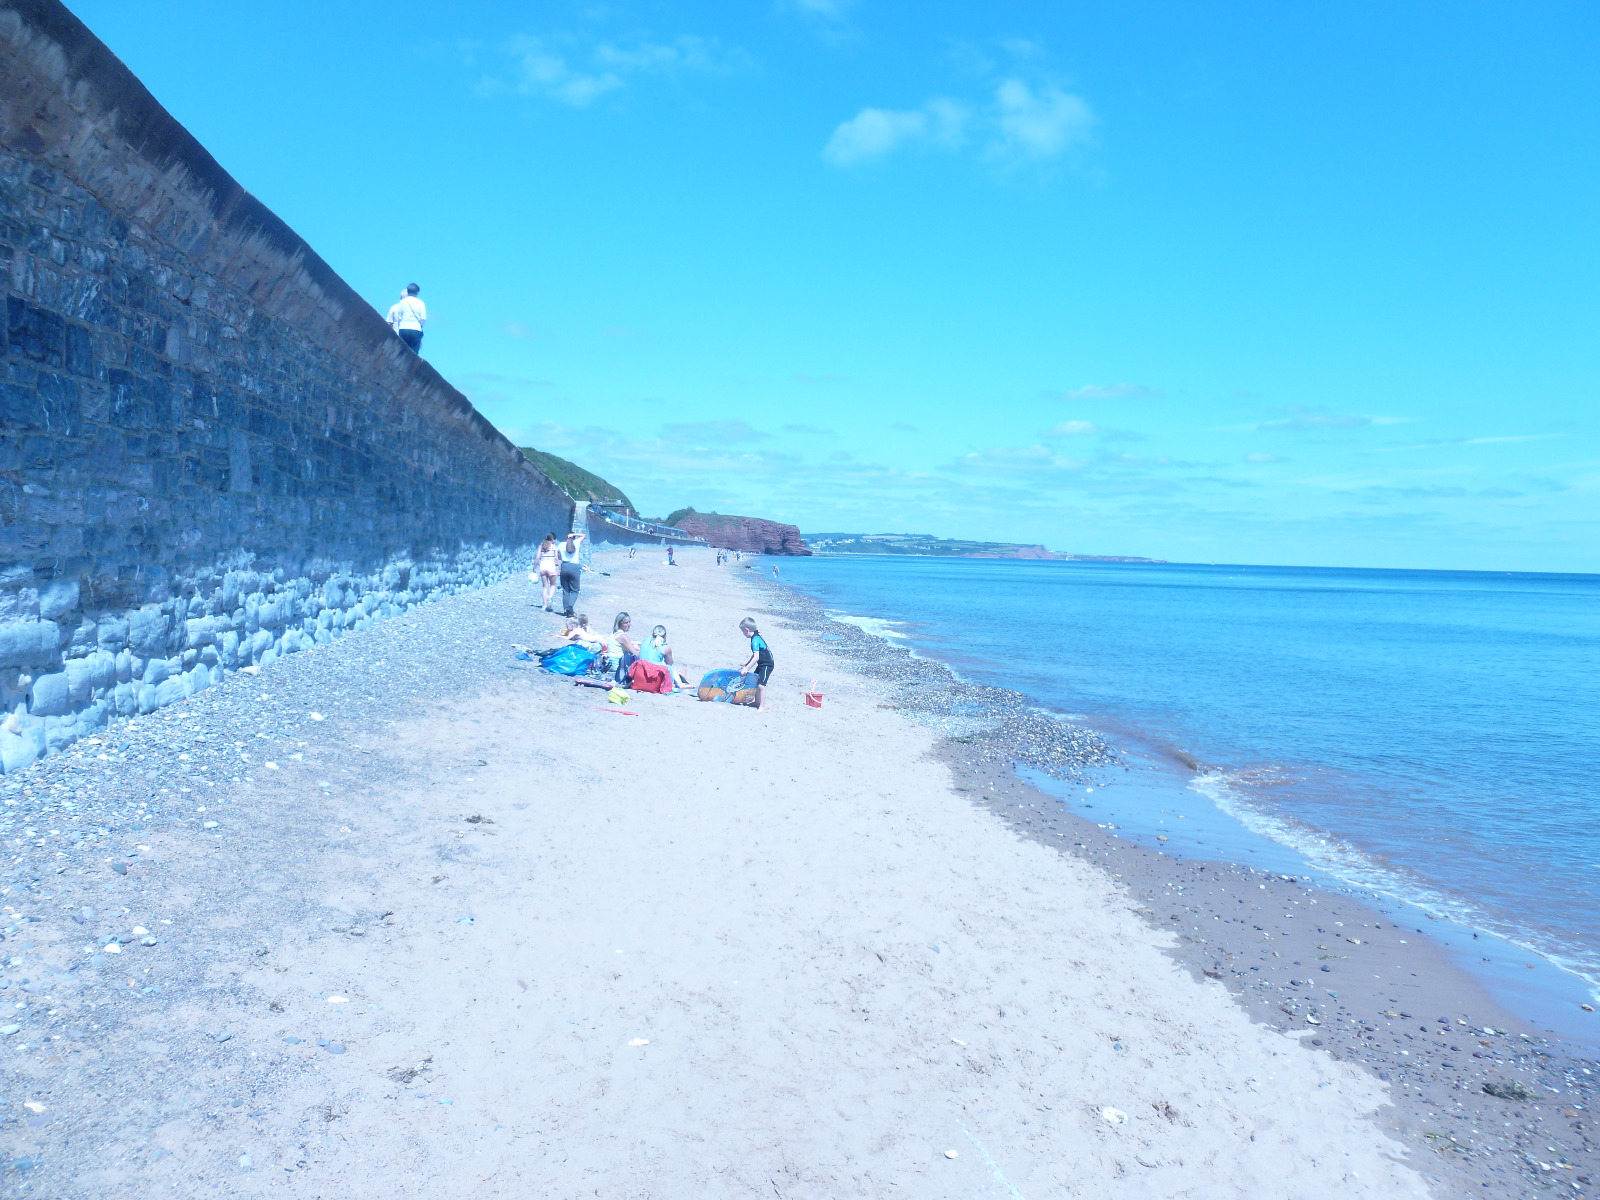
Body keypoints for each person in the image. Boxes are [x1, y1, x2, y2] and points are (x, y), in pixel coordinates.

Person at [738, 617, 774, 712]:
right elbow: (754, 655)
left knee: (761, 685)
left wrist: (746, 669)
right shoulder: (755, 637)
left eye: (743, 631)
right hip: (761, 664)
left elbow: (756, 657)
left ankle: (762, 706)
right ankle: (756, 702)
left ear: (747, 630)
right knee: (755, 682)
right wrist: (746, 665)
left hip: (767, 665)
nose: (743, 634)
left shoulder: (755, 640)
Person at [387, 283, 427, 353]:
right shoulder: (421, 303)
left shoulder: (402, 302)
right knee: (414, 352)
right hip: (416, 329)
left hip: (403, 328)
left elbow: (399, 316)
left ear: (408, 292)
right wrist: (420, 326)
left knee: (403, 351)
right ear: (417, 293)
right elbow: (423, 318)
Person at [606, 612, 643, 683]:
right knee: (637, 656)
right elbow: (635, 653)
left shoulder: (614, 633)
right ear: (620, 624)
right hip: (617, 664)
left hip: (610, 662)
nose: (629, 625)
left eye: (629, 622)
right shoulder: (623, 636)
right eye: (626, 623)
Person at [558, 532, 585, 617]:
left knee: (565, 590)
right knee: (575, 590)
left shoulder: (561, 544)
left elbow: (558, 556)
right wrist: (574, 534)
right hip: (574, 567)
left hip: (564, 566)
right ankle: (570, 607)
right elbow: (583, 535)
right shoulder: (576, 543)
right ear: (574, 538)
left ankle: (565, 610)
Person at [535, 533, 561, 611]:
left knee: (545, 586)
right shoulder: (554, 547)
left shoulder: (541, 546)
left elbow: (537, 557)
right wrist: (560, 568)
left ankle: (544, 605)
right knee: (553, 585)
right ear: (553, 539)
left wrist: (534, 567)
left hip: (543, 566)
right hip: (551, 566)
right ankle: (550, 596)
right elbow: (557, 558)